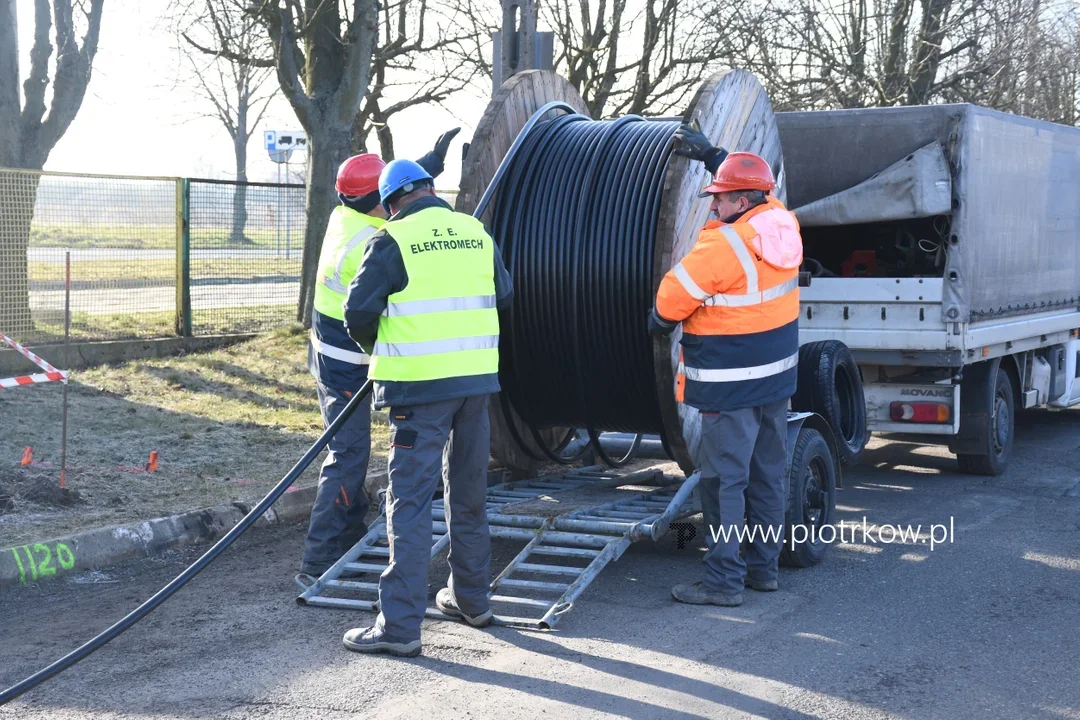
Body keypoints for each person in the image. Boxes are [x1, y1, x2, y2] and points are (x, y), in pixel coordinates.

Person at [339, 158, 514, 657]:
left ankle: (399, 628)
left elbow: (358, 313)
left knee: (410, 503)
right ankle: (472, 600)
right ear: (431, 190)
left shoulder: (393, 240)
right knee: (468, 491)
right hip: (476, 386)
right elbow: (505, 294)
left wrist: (385, 349)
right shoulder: (475, 232)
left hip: (418, 392)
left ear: (391, 201)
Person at [649, 125, 803, 607]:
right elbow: (755, 186)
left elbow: (670, 301)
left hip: (728, 387)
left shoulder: (722, 247)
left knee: (722, 483)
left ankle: (721, 583)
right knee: (767, 475)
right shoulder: (781, 223)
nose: (713, 207)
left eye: (719, 199)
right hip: (775, 380)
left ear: (740, 200)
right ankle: (763, 569)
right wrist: (716, 158)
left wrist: (657, 322)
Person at [300, 129, 461, 577]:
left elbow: (387, 188)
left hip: (330, 352)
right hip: (346, 363)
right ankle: (319, 558)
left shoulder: (342, 214)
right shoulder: (374, 241)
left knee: (351, 452)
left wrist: (428, 163)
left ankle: (348, 534)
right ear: (378, 201)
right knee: (348, 455)